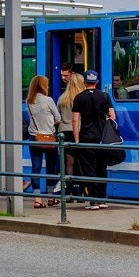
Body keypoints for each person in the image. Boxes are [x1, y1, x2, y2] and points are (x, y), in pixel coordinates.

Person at [70, 69, 114, 209]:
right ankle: (102, 200)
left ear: (84, 82)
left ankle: (93, 201)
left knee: (89, 169)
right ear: (97, 82)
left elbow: (75, 120)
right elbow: (112, 116)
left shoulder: (79, 98)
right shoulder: (105, 96)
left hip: (87, 138)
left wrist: (77, 139)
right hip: (102, 139)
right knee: (102, 168)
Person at [26, 74, 63, 208]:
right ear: (43, 85)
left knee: (36, 168)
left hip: (34, 137)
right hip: (49, 138)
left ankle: (37, 198)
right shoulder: (48, 100)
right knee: (51, 167)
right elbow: (58, 117)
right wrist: (50, 123)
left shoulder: (29, 101)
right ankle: (51, 196)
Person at [58, 71, 84, 200]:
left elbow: (58, 117)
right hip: (78, 130)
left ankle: (69, 190)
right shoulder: (82, 98)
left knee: (69, 162)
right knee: (80, 160)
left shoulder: (62, 98)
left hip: (64, 131)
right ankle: (81, 190)